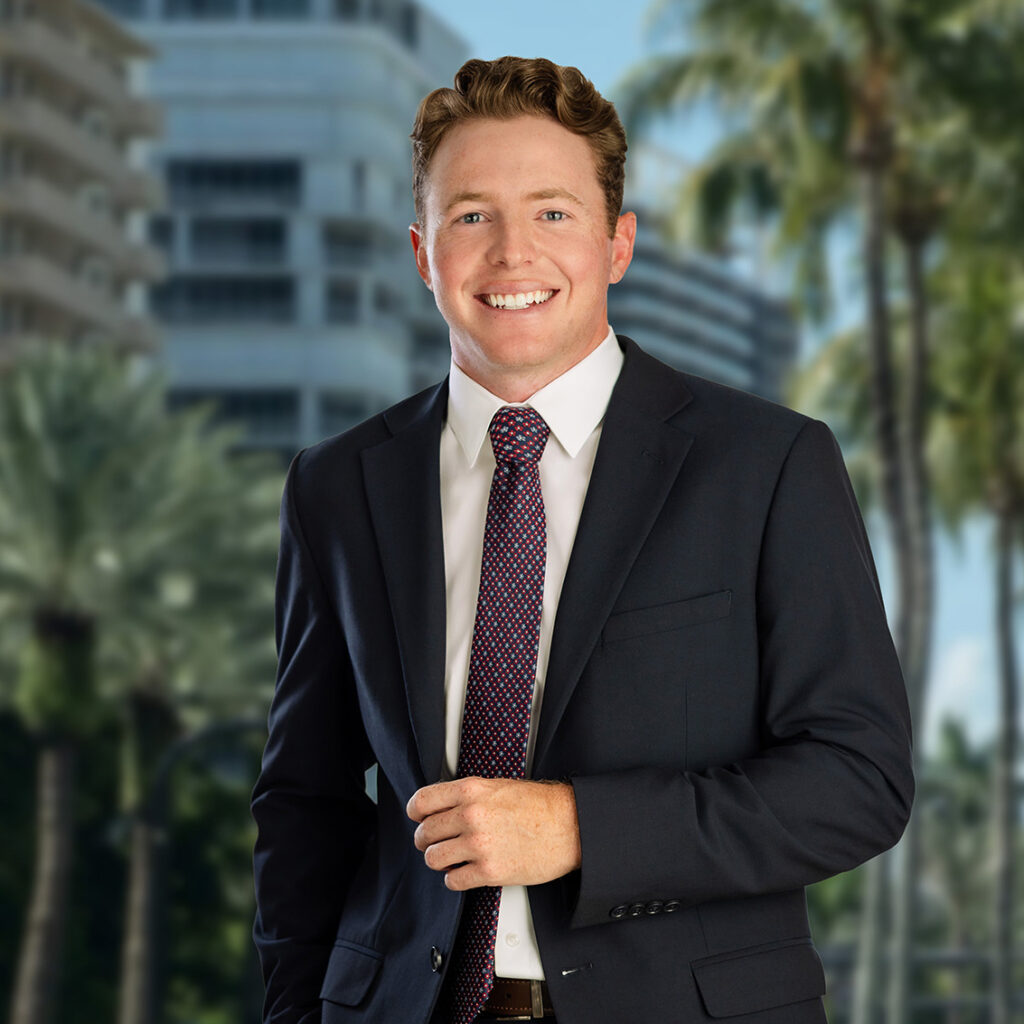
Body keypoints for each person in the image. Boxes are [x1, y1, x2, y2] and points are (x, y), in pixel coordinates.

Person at [251, 56, 913, 1024]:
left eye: (553, 212)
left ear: (617, 244)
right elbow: (303, 802)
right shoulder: (339, 483)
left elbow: (857, 779)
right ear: (422, 251)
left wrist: (577, 828)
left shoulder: (766, 462)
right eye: (471, 214)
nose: (513, 253)